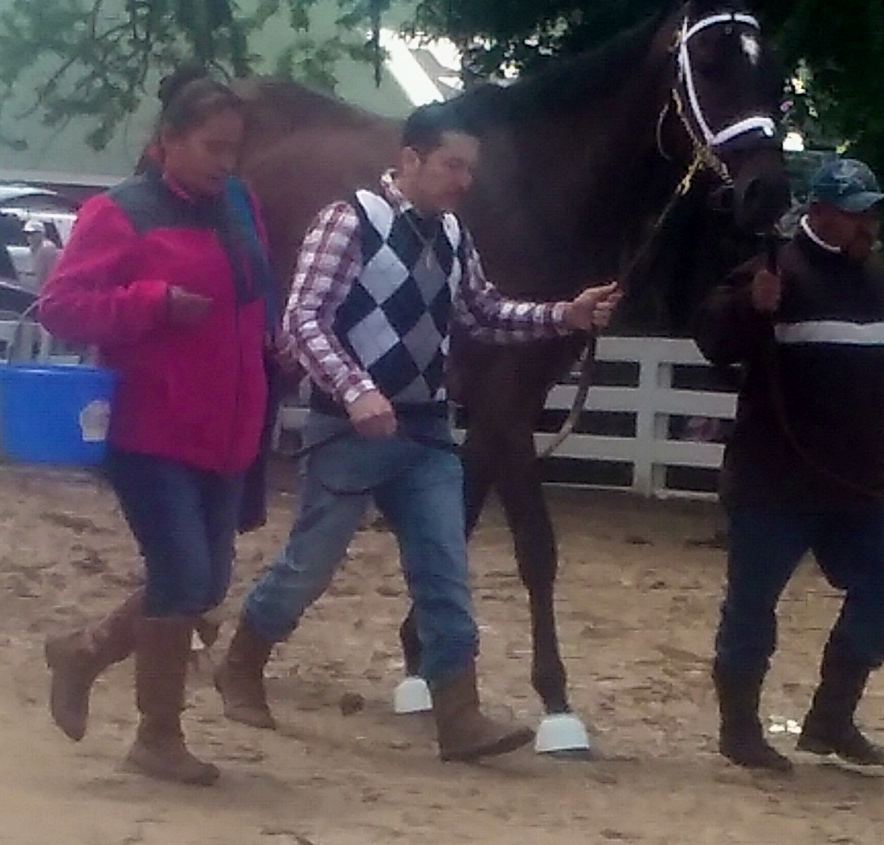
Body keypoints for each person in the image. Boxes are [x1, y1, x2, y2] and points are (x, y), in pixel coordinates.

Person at [214, 101, 621, 763]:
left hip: (425, 430)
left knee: (444, 571)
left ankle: (458, 715)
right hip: (349, 430)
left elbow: (482, 314)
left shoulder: (453, 234)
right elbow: (303, 319)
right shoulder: (348, 221)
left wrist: (562, 316)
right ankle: (241, 663)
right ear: (410, 159)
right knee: (308, 567)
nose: (464, 181)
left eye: (469, 170)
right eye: (452, 166)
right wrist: (355, 390)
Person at [37, 78, 273, 786]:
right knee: (182, 574)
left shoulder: (240, 206)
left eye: (234, 149)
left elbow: (253, 301)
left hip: (230, 427)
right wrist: (153, 303)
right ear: (167, 141)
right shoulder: (118, 212)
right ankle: (157, 736)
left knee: (207, 580)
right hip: (150, 426)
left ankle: (85, 650)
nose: (226, 162)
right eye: (212, 147)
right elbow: (60, 307)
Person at [694, 157, 884, 773]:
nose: (868, 224)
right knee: (752, 606)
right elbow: (713, 341)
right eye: (856, 213)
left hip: (856, 485)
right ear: (818, 212)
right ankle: (740, 728)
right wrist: (750, 308)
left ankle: (831, 719)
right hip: (774, 480)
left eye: (872, 213)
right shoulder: (771, 272)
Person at [22, 218, 61, 292]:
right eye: (27, 233)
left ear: (41, 233)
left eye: (33, 233)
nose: (29, 236)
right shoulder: (34, 248)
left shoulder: (47, 248)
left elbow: (50, 273)